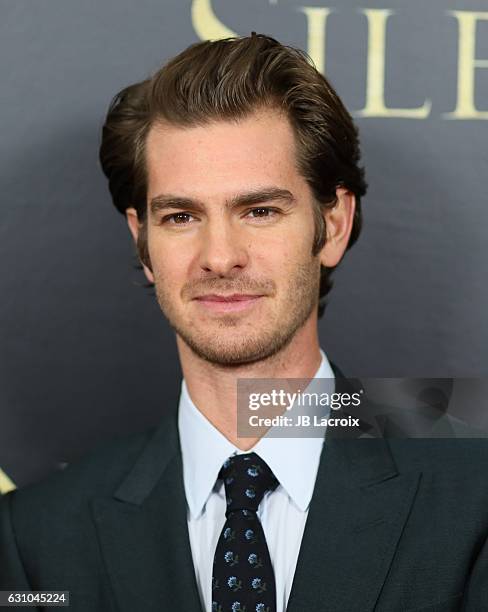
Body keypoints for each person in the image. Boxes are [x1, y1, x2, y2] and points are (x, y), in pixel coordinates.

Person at [1, 34, 487, 612]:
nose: (220, 256)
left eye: (259, 211)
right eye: (181, 216)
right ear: (143, 240)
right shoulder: (37, 538)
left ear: (332, 226)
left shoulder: (474, 484)